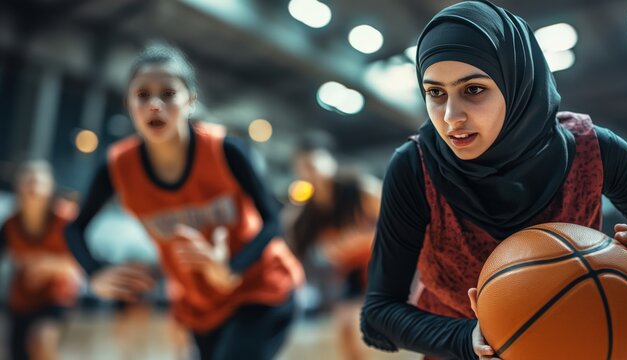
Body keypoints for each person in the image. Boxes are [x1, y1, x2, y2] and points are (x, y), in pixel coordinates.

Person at [359, 1, 627, 359]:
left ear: (516, 81)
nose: (451, 117)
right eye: (435, 93)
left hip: (586, 339)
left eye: (473, 90)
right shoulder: (413, 167)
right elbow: (379, 311)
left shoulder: (593, 149)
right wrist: (468, 337)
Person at [64, 44, 304, 360]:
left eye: (167, 94)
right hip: (200, 304)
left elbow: (273, 217)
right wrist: (94, 272)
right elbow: (75, 228)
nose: (154, 104)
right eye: (143, 95)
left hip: (260, 287)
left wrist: (232, 268)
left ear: (190, 101)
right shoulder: (117, 166)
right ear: (129, 104)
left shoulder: (226, 151)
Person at [289, 132, 380, 360]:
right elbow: (300, 253)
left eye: (312, 164)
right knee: (345, 327)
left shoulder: (360, 190)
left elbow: (401, 220)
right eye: (302, 167)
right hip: (353, 274)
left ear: (328, 161)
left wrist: (366, 239)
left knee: (394, 328)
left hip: (386, 265)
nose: (309, 172)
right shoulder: (306, 215)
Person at [1, 161, 82, 360]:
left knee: (41, 340)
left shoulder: (65, 220)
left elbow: (80, 262)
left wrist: (47, 265)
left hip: (56, 298)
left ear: (50, 187)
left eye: (38, 182)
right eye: (28, 181)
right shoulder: (10, 224)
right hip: (21, 301)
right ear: (19, 187)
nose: (33, 187)